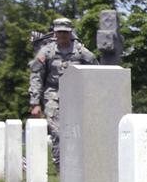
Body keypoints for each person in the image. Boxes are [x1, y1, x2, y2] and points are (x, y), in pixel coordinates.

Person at [29, 18, 99, 172]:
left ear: (70, 33)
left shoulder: (81, 51)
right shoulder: (46, 51)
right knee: (57, 132)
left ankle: (79, 165)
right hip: (53, 95)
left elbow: (96, 71)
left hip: (77, 96)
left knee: (80, 133)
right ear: (55, 33)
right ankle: (60, 166)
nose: (62, 35)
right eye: (59, 32)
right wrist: (35, 103)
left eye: (65, 32)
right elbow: (36, 76)